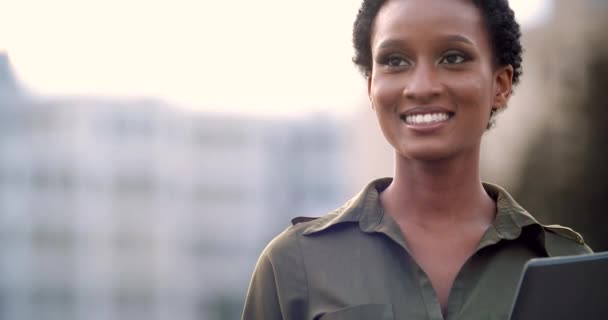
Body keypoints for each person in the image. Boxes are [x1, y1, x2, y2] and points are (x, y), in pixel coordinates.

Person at [242, 0, 593, 319]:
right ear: (371, 88)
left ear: (499, 84)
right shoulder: (292, 266)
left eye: (453, 57)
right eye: (395, 61)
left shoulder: (569, 267)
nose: (421, 86)